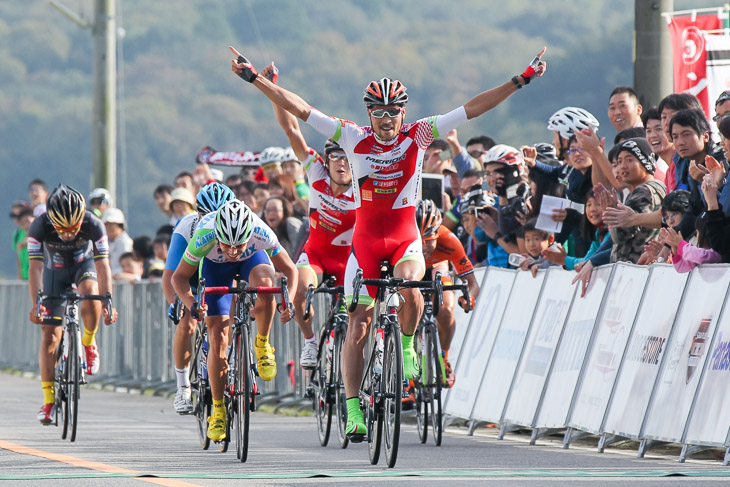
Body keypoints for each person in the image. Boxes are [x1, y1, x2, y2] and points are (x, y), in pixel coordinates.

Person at [231, 43, 547, 440]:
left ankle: (410, 346)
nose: (386, 119)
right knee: (358, 325)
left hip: (403, 237)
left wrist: (520, 80)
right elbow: (299, 109)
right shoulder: (350, 135)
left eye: (393, 111)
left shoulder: (420, 133)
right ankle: (352, 409)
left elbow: (473, 108)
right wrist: (255, 79)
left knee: (411, 284)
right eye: (378, 112)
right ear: (369, 113)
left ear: (403, 112)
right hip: (363, 245)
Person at [172, 199, 297, 441]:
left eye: (238, 245)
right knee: (217, 335)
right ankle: (218, 410)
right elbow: (179, 279)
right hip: (214, 268)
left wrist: (288, 301)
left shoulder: (260, 232)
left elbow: (291, 270)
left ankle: (262, 343)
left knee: (265, 284)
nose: (232, 251)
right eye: (226, 245)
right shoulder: (204, 236)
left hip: (252, 261)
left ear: (248, 236)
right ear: (217, 235)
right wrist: (192, 305)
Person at [261, 63, 357, 368]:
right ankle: (311, 341)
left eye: (348, 158)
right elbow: (291, 129)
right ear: (326, 161)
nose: (342, 164)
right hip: (316, 254)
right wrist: (271, 87)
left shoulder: (364, 186)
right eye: (336, 158)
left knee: (363, 312)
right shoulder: (314, 169)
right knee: (299, 290)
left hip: (351, 259)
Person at [27, 185, 118, 424]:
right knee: (49, 336)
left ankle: (88, 341)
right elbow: (35, 267)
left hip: (83, 267)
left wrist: (108, 300)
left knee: (91, 291)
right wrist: (37, 303)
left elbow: (103, 266)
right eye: (61, 230)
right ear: (52, 222)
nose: (68, 234)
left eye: (73, 229)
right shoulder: (39, 225)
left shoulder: (94, 224)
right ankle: (48, 401)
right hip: (53, 273)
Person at [162, 182, 234, 414]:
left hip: (218, 271)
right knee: (188, 324)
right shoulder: (186, 226)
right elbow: (170, 275)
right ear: (198, 214)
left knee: (227, 319)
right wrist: (177, 303)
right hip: (190, 274)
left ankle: (227, 362)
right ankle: (182, 387)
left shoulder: (237, 224)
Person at [417, 200, 479, 388]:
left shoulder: (449, 240)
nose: (423, 246)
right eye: (418, 239)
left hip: (437, 268)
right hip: (412, 267)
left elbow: (473, 283)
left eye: (428, 240)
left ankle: (443, 356)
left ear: (438, 232)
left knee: (444, 311)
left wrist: (469, 298)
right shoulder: (403, 239)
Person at [597, 138, 666, 263]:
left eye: (629, 160)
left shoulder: (644, 191)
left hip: (636, 270)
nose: (622, 166)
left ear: (646, 162)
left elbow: (621, 235)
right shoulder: (658, 187)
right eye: (619, 161)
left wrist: (611, 213)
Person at [102, 208, 134, 277]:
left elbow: (126, 265)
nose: (108, 227)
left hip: (122, 281)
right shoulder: (108, 242)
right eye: (106, 224)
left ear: (120, 225)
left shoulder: (125, 242)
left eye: (111, 224)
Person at [10, 201, 32, 280]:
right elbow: (18, 256)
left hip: (36, 273)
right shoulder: (17, 234)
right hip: (24, 275)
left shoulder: (35, 230)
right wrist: (19, 275)